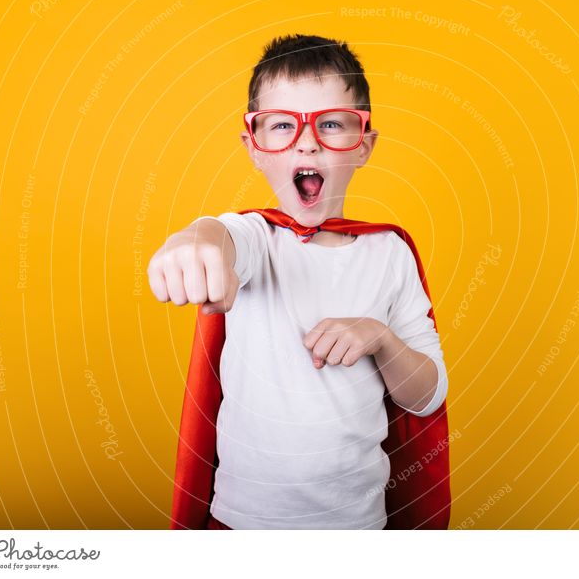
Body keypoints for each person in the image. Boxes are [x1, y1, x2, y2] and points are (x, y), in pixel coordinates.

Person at [147, 34, 450, 530]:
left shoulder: (390, 254)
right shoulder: (254, 238)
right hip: (242, 526)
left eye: (331, 124)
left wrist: (380, 337)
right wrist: (197, 237)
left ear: (364, 145)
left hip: (357, 529)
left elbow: (426, 397)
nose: (307, 141)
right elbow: (223, 234)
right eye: (283, 125)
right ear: (255, 147)